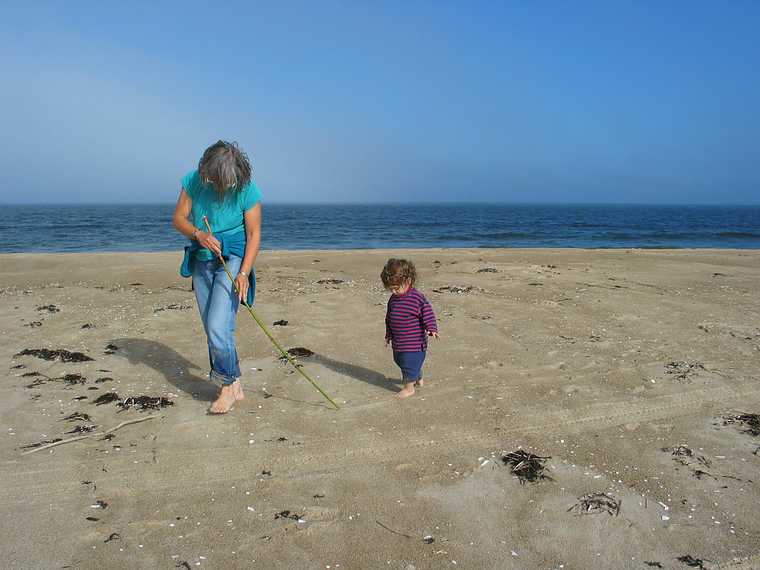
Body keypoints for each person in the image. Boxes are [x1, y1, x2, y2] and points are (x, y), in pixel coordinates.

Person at [172, 140, 262, 414]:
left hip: (233, 257)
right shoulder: (195, 180)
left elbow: (253, 234)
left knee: (216, 325)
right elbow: (178, 218)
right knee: (218, 327)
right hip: (202, 256)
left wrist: (244, 273)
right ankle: (234, 381)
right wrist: (198, 234)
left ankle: (226, 388)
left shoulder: (247, 188)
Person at [381, 258, 439, 399]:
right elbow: (389, 317)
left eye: (396, 287)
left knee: (408, 363)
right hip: (398, 341)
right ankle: (417, 377)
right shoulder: (393, 299)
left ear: (407, 281)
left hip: (414, 342)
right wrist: (388, 334)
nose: (393, 291)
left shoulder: (417, 298)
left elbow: (428, 312)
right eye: (391, 288)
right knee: (399, 360)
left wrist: (432, 328)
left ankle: (409, 388)